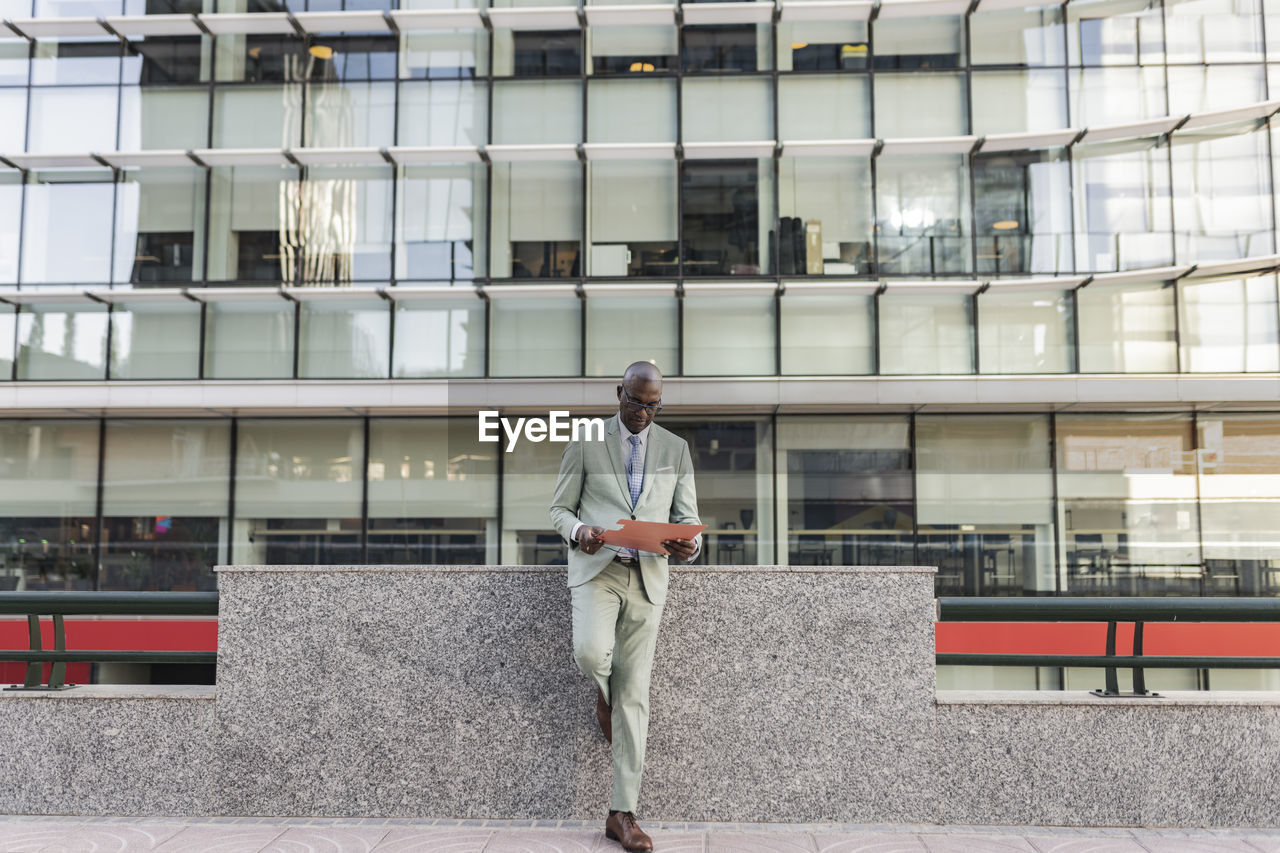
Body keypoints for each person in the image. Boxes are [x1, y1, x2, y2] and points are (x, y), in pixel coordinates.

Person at [549, 361, 702, 852]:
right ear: (620, 392)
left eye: (652, 405)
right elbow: (559, 509)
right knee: (591, 654)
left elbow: (688, 519)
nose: (641, 413)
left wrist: (687, 546)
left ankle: (622, 813)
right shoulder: (586, 441)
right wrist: (581, 532)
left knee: (636, 696)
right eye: (634, 402)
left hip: (649, 579)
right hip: (600, 571)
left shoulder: (675, 449)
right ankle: (604, 694)